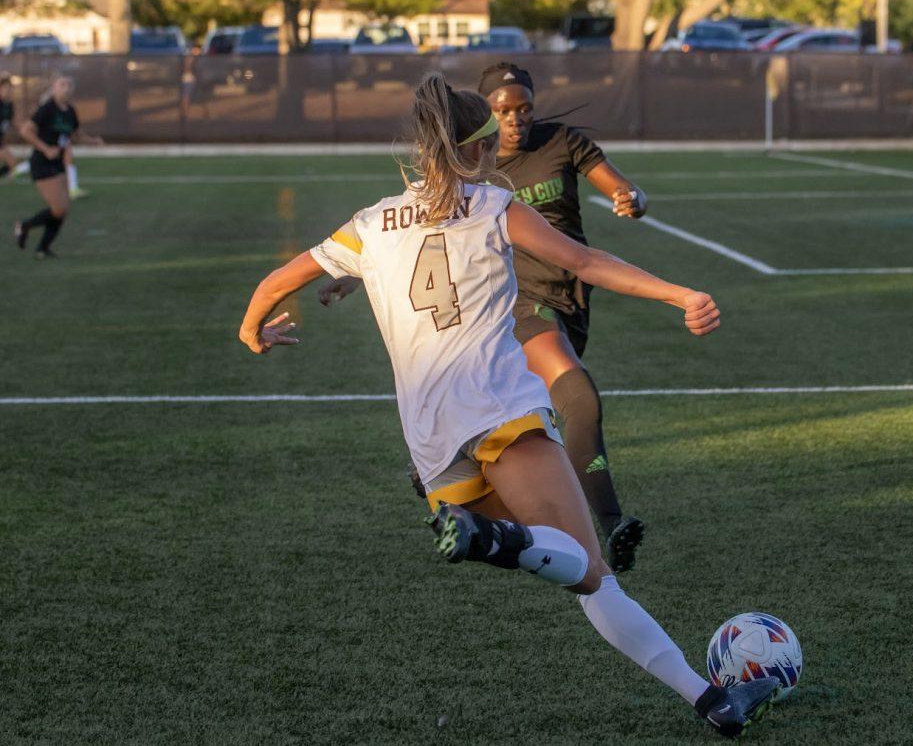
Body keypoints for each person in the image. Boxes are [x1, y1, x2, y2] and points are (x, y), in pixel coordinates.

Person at [238, 73, 778, 737]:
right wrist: (679, 295)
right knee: (593, 576)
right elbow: (581, 261)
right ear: (472, 150)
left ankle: (712, 702)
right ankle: (499, 541)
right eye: (490, 143)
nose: (498, 153)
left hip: (431, 444)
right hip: (497, 408)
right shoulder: (493, 205)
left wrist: (254, 329)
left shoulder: (371, 224)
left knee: (561, 559)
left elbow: (276, 283)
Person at [322, 62, 651, 574]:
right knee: (576, 394)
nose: (515, 119)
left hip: (568, 298)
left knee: (541, 427)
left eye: (524, 108)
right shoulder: (476, 171)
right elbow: (421, 235)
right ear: (481, 123)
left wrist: (631, 199)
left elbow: (620, 190)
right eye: (502, 111)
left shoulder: (560, 142)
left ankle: (471, 496)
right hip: (513, 303)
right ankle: (609, 525)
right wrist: (355, 271)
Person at [13, 76, 102, 258]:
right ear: (54, 88)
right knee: (59, 208)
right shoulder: (47, 109)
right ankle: (24, 226)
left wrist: (93, 141)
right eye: (62, 85)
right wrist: (45, 149)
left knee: (62, 210)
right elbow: (25, 131)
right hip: (41, 163)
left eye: (69, 85)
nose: (66, 88)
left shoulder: (70, 111)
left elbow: (75, 134)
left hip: (58, 163)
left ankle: (42, 249)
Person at [0, 73, 29, 182]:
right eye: (5, 88)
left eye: (9, 88)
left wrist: (24, 129)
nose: (8, 91)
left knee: (11, 163)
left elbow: (13, 121)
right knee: (11, 162)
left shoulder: (9, 105)